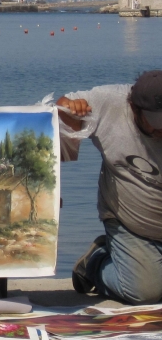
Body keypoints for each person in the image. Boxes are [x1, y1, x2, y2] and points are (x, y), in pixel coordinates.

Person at [57, 70, 162, 304]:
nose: (160, 130)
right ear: (134, 109)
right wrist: (73, 110)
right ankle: (95, 262)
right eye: (156, 123)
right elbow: (62, 108)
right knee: (145, 293)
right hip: (132, 223)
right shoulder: (110, 102)